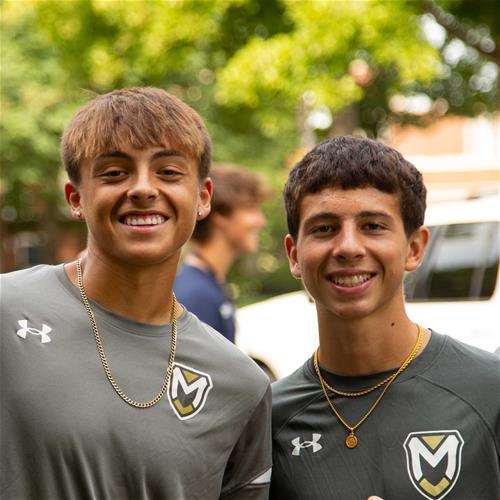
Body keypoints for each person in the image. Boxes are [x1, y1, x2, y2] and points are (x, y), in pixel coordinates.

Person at [0, 87, 272, 500]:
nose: (143, 188)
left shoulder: (240, 384)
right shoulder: (7, 311)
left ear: (203, 198)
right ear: (76, 198)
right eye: (114, 172)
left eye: (168, 172)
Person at [270, 136, 500, 499]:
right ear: (294, 255)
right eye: (325, 228)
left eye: (373, 226)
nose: (348, 247)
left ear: (414, 248)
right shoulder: (268, 417)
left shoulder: (489, 390)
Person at [174, 164, 268, 343]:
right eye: (250, 208)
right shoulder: (195, 295)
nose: (260, 221)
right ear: (220, 216)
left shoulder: (209, 283)